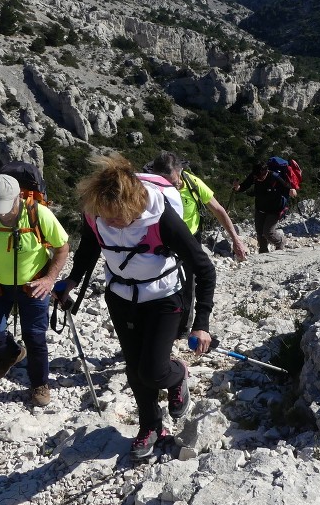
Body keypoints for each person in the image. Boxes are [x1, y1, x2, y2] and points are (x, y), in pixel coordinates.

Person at [54, 154, 216, 460]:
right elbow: (89, 247)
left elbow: (205, 268)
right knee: (134, 368)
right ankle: (150, 425)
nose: (110, 222)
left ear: (134, 204)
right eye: (105, 216)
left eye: (117, 217)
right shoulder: (97, 214)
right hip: (121, 298)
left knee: (153, 371)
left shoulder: (162, 218)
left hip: (165, 297)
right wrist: (72, 281)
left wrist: (202, 323)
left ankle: (178, 374)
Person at [0, 173, 69, 407]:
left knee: (35, 337)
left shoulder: (39, 214)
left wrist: (49, 279)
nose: (1, 214)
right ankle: (12, 354)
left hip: (33, 284)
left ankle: (39, 384)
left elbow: (62, 247)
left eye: (5, 208)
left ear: (19, 197)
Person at [148, 151, 249, 261]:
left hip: (191, 238)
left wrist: (236, 239)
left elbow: (218, 210)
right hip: (163, 241)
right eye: (164, 184)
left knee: (198, 275)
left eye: (173, 183)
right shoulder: (149, 187)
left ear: (180, 171)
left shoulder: (193, 183)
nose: (170, 189)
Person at [233, 160, 297, 253]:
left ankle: (280, 242)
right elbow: (244, 186)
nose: (258, 179)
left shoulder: (274, 177)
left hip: (275, 209)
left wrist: (291, 190)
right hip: (260, 208)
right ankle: (263, 251)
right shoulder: (255, 175)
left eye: (260, 177)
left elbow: (286, 186)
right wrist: (237, 188)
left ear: (266, 172)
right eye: (256, 177)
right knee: (260, 233)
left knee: (268, 232)